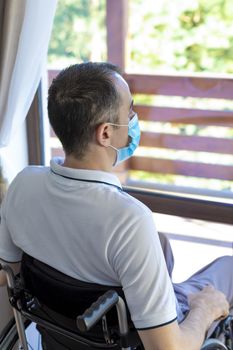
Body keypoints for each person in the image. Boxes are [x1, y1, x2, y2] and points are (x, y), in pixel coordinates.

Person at [0, 61, 231, 350]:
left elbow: (8, 271)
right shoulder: (129, 220)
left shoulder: (23, 184)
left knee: (160, 245)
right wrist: (205, 308)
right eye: (130, 111)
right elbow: (168, 348)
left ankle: (165, 302)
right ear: (106, 133)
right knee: (228, 269)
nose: (134, 118)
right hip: (135, 339)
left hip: (59, 336)